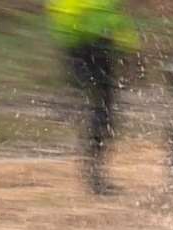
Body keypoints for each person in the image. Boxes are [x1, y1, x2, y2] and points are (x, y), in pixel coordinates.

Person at [45, 0, 140, 195]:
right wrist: (129, 46)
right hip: (91, 45)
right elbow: (109, 13)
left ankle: (94, 170)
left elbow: (113, 14)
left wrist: (128, 44)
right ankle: (94, 172)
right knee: (102, 111)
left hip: (85, 46)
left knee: (101, 110)